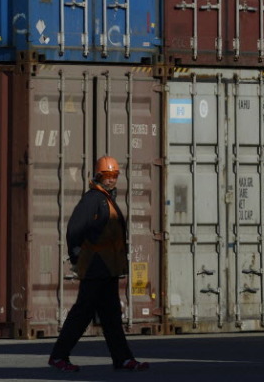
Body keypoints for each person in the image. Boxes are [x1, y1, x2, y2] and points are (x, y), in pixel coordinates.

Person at [48, 155, 149, 373]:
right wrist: (76, 257)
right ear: (98, 175)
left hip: (108, 269)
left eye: (114, 175)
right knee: (83, 312)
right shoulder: (93, 199)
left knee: (111, 315)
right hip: (95, 267)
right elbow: (74, 229)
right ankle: (58, 356)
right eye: (107, 175)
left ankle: (123, 359)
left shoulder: (107, 199)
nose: (111, 179)